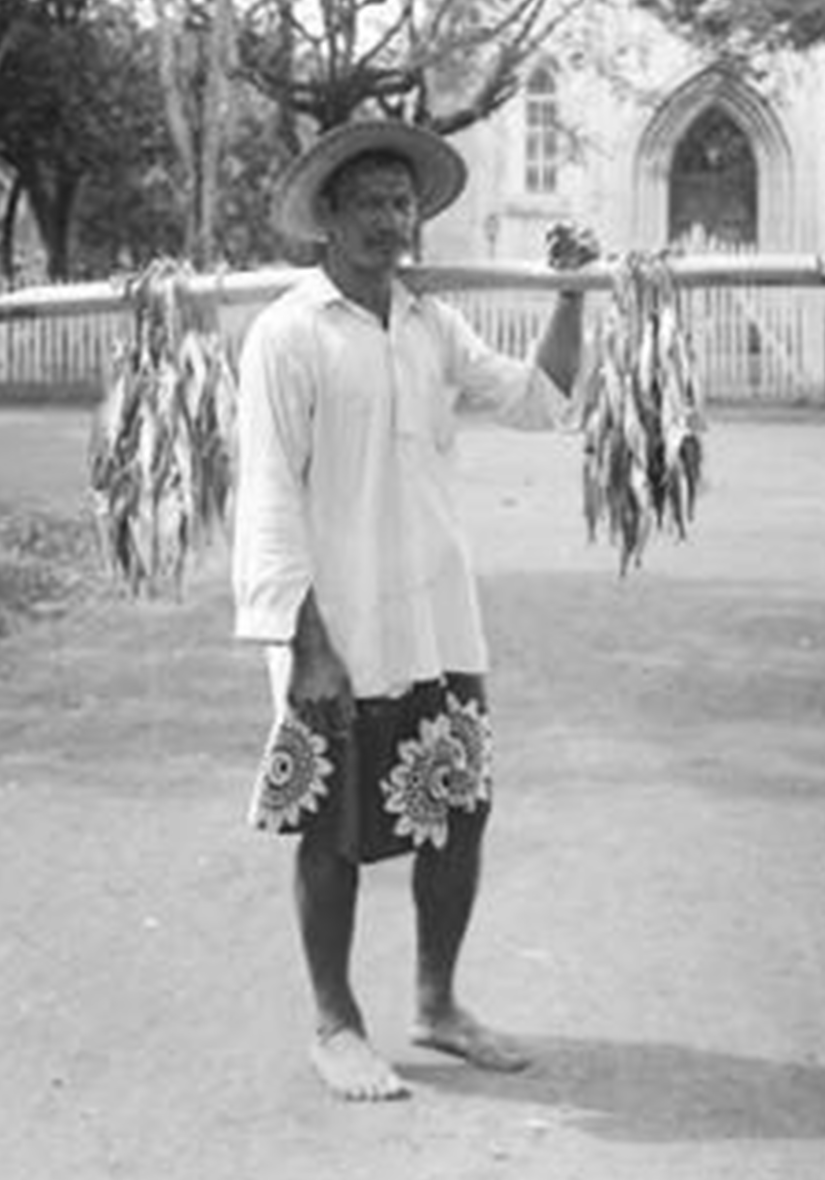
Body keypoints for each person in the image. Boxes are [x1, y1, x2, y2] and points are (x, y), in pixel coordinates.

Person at [231, 119, 591, 1102]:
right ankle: (335, 1023)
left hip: (434, 613)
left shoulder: (429, 324)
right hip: (334, 623)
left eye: (401, 203)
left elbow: (539, 399)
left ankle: (437, 1003)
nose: (390, 221)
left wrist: (570, 294)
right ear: (328, 216)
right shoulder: (288, 333)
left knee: (458, 809)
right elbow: (265, 495)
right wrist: (305, 645)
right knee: (333, 828)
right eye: (370, 203)